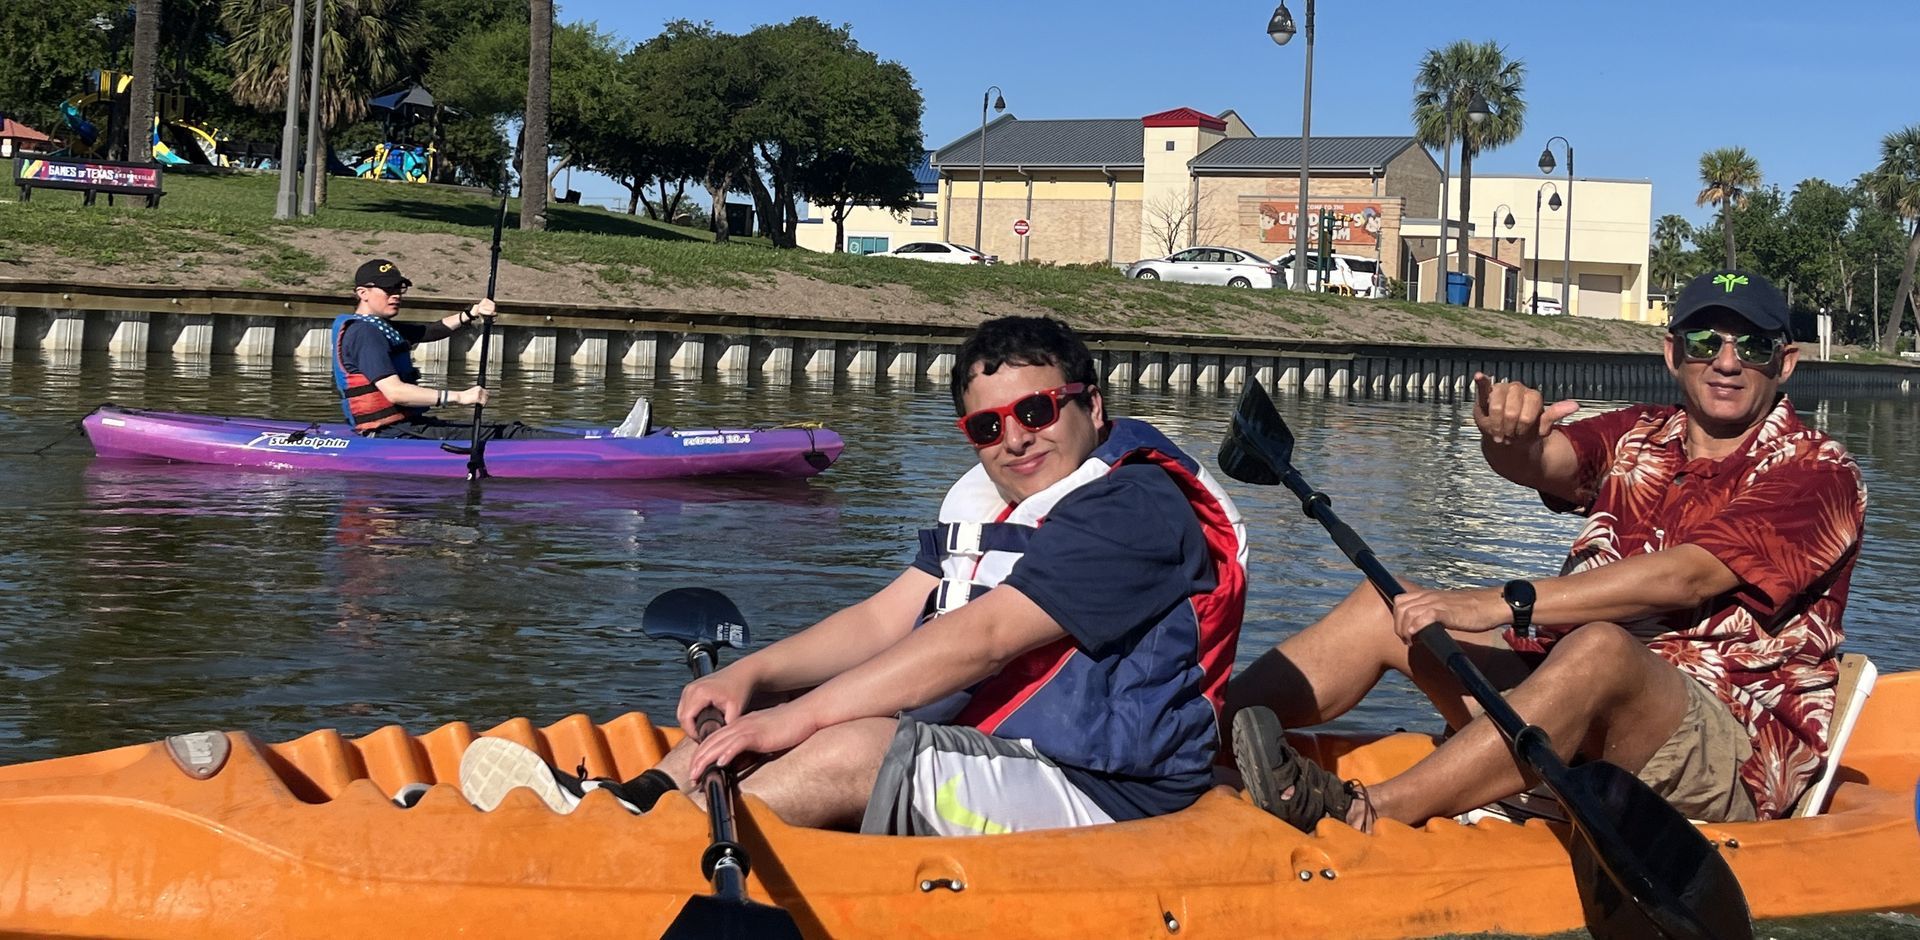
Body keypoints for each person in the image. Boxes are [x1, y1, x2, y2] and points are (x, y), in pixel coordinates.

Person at [455, 315, 1250, 834]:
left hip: (1106, 792)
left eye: (1037, 412)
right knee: (757, 728)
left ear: (1093, 407)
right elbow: (885, 619)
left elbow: (984, 637)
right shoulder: (989, 500)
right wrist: (756, 681)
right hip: (1000, 751)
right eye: (987, 425)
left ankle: (649, 847)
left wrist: (798, 723)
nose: (1014, 439)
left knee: (850, 746)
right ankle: (626, 806)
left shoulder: (1134, 507)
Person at [1228, 268, 1865, 832]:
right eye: (1705, 342)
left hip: (1729, 747)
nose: (1726, 362)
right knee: (1385, 604)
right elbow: (1547, 462)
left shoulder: (1817, 470)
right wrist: (1507, 435)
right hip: (1567, 701)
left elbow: (1688, 578)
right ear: (1674, 352)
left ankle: (1370, 811)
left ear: (1784, 363)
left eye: (1750, 345)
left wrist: (1504, 603)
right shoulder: (1639, 433)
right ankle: (1189, 741)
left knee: (1601, 646)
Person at [332, 258, 572, 440]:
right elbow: (396, 393)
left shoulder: (379, 327)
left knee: (509, 430)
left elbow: (430, 331)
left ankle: (578, 441)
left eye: (399, 289)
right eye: (388, 290)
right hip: (391, 434)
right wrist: (460, 397)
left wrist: (471, 313)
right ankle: (582, 449)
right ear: (362, 293)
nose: (396, 295)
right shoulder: (365, 333)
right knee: (507, 434)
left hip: (403, 426)